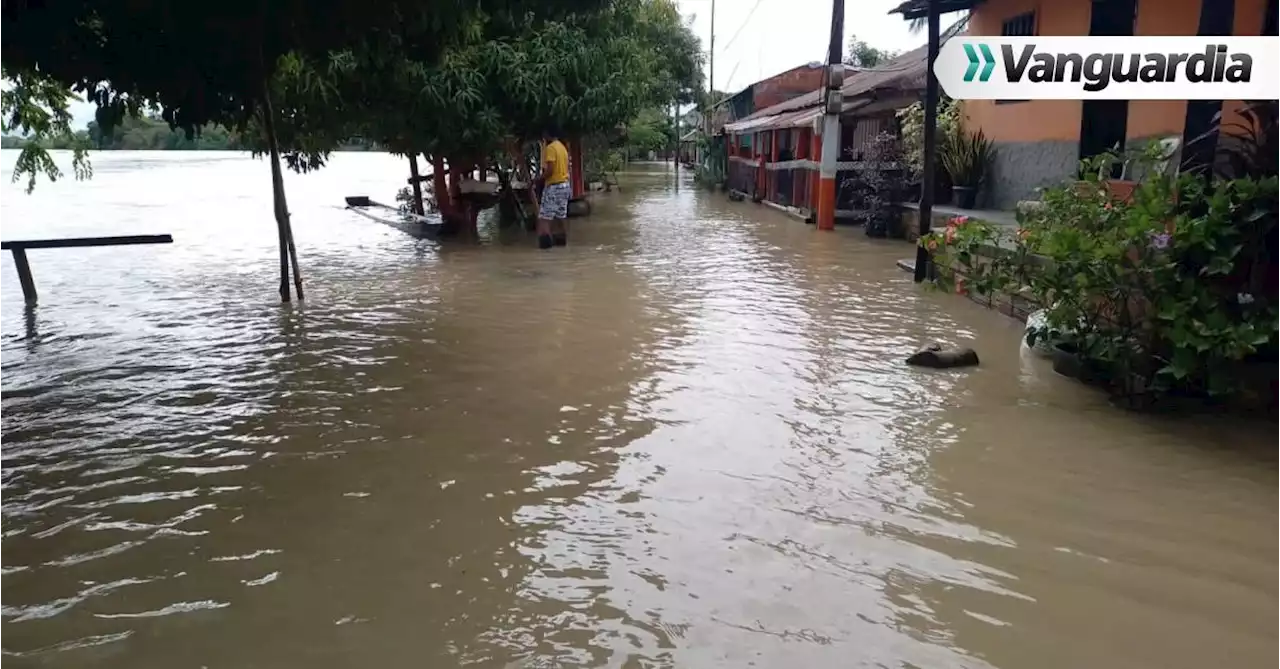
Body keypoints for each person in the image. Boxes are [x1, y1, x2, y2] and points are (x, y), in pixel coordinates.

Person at [536, 126, 571, 249]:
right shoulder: (562, 147)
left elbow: (550, 170)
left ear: (547, 134)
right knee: (561, 215)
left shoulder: (550, 148)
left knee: (544, 218)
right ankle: (562, 242)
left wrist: (538, 179)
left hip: (553, 186)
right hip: (565, 185)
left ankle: (545, 247)